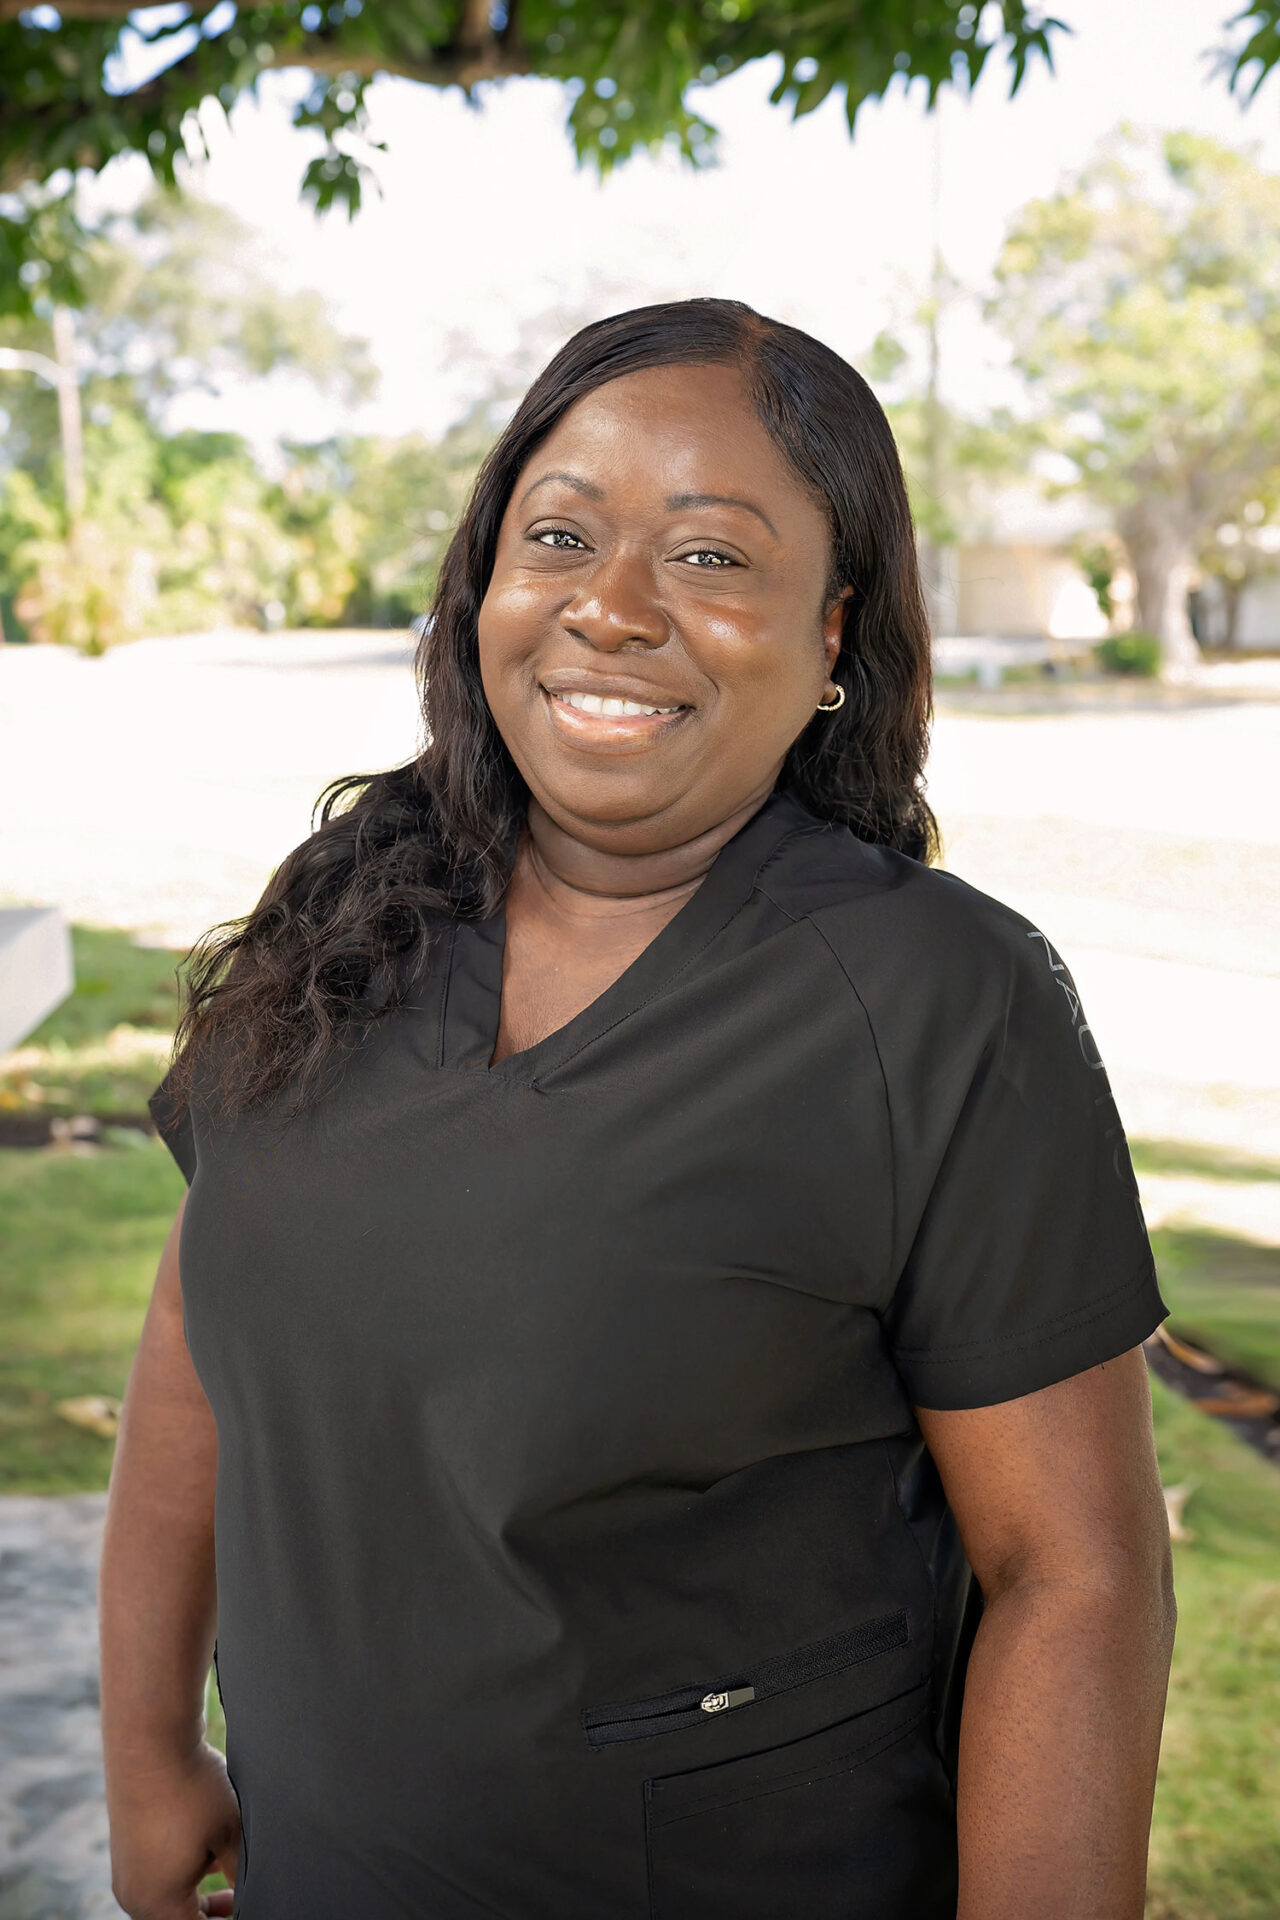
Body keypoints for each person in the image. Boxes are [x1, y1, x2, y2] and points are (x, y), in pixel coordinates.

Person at [100, 298, 1176, 1920]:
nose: (609, 607)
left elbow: (1073, 1573)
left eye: (710, 555)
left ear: (833, 632)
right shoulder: (347, 914)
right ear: (486, 579)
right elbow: (205, 1318)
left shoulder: (939, 999)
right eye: (560, 536)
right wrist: (145, 1746)